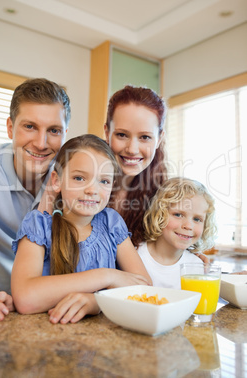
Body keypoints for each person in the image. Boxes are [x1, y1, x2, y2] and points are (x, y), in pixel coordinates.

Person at [11, 134, 151, 324]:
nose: (92, 190)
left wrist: (97, 301)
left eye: (104, 181)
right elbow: (25, 299)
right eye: (79, 178)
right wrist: (105, 276)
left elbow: (145, 289)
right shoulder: (39, 226)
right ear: (56, 180)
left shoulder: (112, 224)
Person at [0, 78, 71, 321]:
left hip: (50, 312)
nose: (41, 143)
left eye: (53, 130)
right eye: (29, 126)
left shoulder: (74, 179)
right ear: (10, 128)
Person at [104, 85, 168, 247]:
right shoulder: (79, 184)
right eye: (122, 135)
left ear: (159, 139)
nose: (132, 149)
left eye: (145, 137)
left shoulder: (166, 199)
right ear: (107, 132)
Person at [137, 177, 217, 289]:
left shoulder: (197, 266)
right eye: (178, 215)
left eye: (197, 219)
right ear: (159, 214)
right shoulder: (135, 256)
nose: (188, 226)